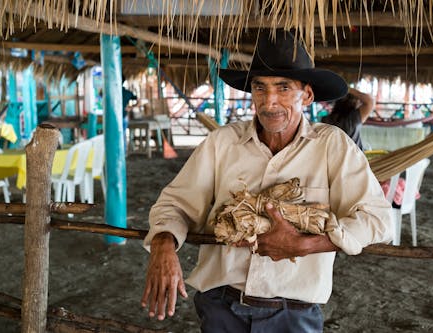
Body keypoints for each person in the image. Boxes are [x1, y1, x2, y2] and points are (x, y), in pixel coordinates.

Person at [141, 29, 393, 332]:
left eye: (283, 87)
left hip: (293, 314)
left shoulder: (332, 146)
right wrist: (163, 243)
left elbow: (379, 221)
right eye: (260, 88)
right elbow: (175, 204)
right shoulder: (222, 143)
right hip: (221, 305)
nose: (269, 102)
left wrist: (307, 245)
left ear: (307, 95)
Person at [122, 75, 137, 150]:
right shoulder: (127, 93)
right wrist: (131, 107)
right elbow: (139, 100)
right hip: (124, 116)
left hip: (114, 118)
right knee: (123, 134)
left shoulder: (112, 91)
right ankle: (123, 153)